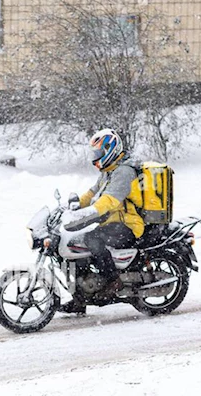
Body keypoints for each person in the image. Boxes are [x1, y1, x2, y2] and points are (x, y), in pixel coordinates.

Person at [60, 128, 145, 313]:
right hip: (113, 222)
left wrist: (89, 212)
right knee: (77, 245)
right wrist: (72, 207)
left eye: (98, 153)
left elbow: (109, 201)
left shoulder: (124, 172)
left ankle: (113, 280)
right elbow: (92, 194)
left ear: (110, 149)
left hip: (129, 224)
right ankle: (80, 298)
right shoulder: (109, 171)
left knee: (91, 239)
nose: (95, 158)